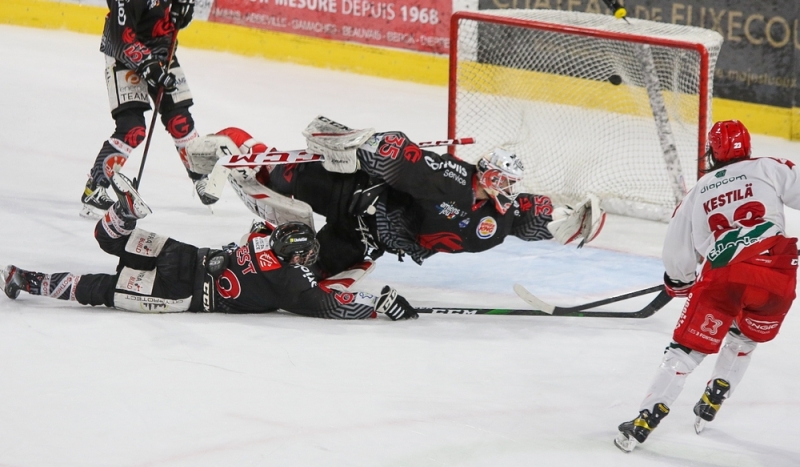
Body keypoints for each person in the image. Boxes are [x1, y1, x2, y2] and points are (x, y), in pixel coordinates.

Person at [182, 116, 607, 276]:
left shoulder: (497, 217)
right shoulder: (451, 176)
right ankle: (226, 142)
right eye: (507, 182)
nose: (512, 191)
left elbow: (535, 215)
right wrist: (367, 144)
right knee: (269, 173)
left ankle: (254, 249)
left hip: (371, 237)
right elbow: (404, 156)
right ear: (490, 175)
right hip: (349, 193)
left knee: (308, 273)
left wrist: (569, 219)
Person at [614, 120, 800, 453]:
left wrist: (679, 280)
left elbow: (678, 251)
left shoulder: (698, 190)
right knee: (743, 339)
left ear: (712, 153)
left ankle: (645, 420)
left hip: (725, 276)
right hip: (777, 275)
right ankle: (716, 396)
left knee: (685, 352)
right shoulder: (769, 167)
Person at [5, 172, 418, 321]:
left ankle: (126, 211)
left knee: (107, 239)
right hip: (178, 295)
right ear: (302, 257)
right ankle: (26, 279)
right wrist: (379, 304)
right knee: (97, 289)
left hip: (185, 256)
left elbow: (251, 233)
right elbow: (333, 306)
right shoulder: (293, 284)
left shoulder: (261, 239)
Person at [79, 0, 218, 219]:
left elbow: (168, 17)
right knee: (132, 129)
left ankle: (199, 176)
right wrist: (148, 66)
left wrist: (179, 18)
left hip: (162, 52)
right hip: (124, 56)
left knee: (180, 121)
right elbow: (119, 39)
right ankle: (94, 189)